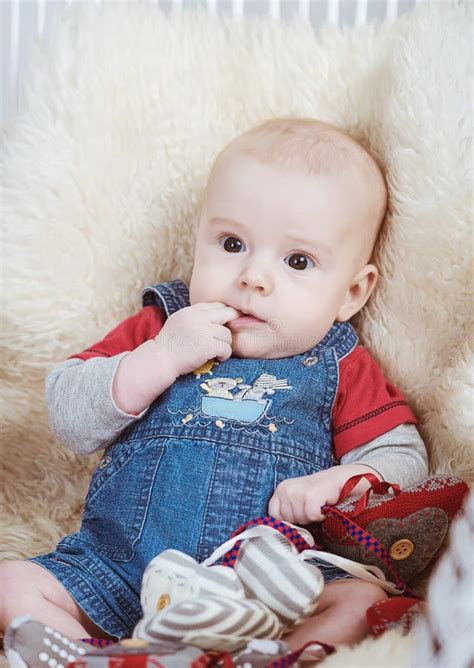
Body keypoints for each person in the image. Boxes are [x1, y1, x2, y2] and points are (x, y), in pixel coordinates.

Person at [0, 118, 428, 651]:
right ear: (198, 237)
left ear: (351, 292)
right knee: (11, 584)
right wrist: (158, 358)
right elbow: (68, 411)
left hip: (273, 586)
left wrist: (342, 482)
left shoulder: (341, 363)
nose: (253, 276)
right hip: (122, 572)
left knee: (362, 601)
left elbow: (404, 457)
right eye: (231, 243)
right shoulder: (161, 327)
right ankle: (95, 659)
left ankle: (267, 658)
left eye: (298, 260)